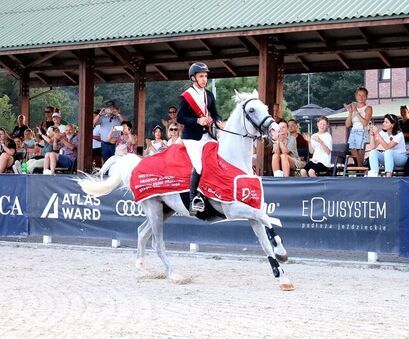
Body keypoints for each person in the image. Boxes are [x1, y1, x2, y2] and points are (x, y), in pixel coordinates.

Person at [177, 62, 223, 215]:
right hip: (192, 137)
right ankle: (192, 201)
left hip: (206, 135)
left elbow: (215, 113)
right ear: (193, 78)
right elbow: (180, 117)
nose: (204, 79)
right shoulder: (186, 96)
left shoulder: (208, 95)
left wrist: (217, 121)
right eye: (201, 76)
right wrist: (197, 120)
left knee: (220, 157)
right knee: (200, 166)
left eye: (206, 76)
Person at [344, 87, 373, 166]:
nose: (361, 97)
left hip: (362, 131)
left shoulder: (368, 108)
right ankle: (359, 168)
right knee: (353, 150)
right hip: (353, 131)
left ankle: (361, 170)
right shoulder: (353, 108)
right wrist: (350, 112)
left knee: (361, 153)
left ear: (366, 97)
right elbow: (347, 124)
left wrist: (356, 111)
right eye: (359, 95)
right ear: (356, 96)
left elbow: (364, 123)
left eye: (363, 95)